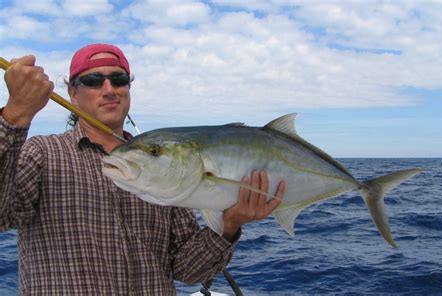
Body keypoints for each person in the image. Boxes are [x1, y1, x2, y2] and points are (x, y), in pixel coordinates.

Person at [0, 44, 285, 294]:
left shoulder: (169, 166)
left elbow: (186, 270)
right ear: (73, 94)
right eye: (93, 80)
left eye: (119, 79)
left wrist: (229, 225)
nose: (109, 89)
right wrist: (15, 115)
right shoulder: (42, 153)